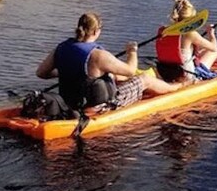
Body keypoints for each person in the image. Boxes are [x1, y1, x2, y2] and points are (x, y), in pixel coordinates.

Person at [36, 11, 182, 115]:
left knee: (114, 76)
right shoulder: (99, 55)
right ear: (96, 31)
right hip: (99, 106)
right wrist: (132, 51)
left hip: (70, 100)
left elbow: (41, 73)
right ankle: (177, 87)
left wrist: (67, 71)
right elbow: (131, 70)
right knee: (144, 79)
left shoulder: (61, 48)